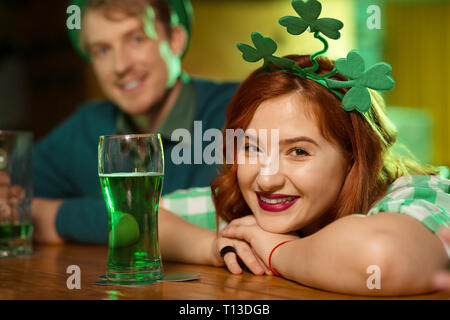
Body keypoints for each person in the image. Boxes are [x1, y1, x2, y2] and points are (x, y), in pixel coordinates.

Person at [31, 0, 238, 244]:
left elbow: (235, 216)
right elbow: (10, 197)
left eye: (136, 39)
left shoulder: (240, 109)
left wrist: (57, 217)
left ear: (175, 40)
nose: (121, 66)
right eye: (102, 50)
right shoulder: (87, 126)